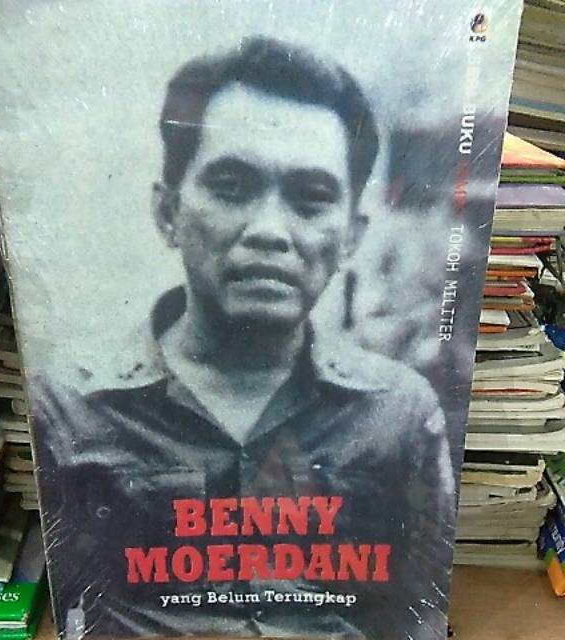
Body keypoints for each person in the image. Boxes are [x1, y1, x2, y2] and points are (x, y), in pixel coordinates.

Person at [33, 36, 455, 640]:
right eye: (232, 187)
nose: (269, 231)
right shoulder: (67, 409)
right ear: (168, 212)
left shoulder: (401, 417)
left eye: (311, 199)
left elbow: (421, 617)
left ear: (351, 235)